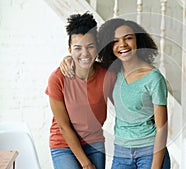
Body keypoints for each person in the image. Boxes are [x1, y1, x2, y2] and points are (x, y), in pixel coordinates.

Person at [61, 18, 170, 169]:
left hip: (149, 151)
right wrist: (68, 59)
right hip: (122, 152)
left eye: (128, 38)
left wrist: (156, 167)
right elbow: (86, 63)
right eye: (115, 41)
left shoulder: (154, 78)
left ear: (137, 41)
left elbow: (162, 128)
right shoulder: (112, 73)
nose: (122, 44)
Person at [45, 12, 115, 169]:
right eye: (77, 48)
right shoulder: (57, 79)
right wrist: (86, 164)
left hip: (94, 141)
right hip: (63, 144)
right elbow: (64, 127)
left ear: (97, 47)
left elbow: (123, 105)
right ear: (69, 49)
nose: (84, 53)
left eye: (90, 47)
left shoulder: (107, 75)